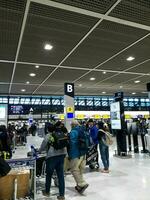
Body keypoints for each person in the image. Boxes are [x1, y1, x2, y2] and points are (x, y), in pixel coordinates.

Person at [39, 122, 66, 200]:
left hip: (52, 157)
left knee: (49, 174)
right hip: (62, 155)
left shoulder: (48, 136)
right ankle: (62, 195)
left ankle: (47, 192)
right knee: (60, 175)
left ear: (47, 129)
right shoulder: (60, 133)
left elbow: (43, 146)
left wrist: (39, 151)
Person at [68, 120, 89, 194]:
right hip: (83, 154)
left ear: (73, 125)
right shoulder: (82, 130)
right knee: (80, 170)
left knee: (73, 169)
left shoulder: (73, 132)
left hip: (76, 154)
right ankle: (79, 186)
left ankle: (82, 184)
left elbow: (72, 144)